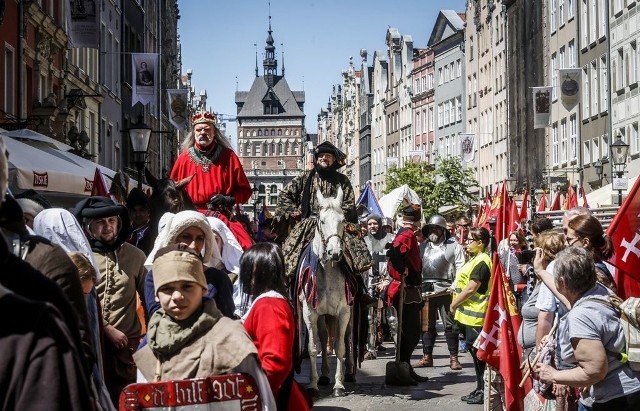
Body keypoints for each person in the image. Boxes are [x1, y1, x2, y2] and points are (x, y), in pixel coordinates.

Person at [133, 244, 276, 411]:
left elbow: (261, 402)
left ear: (203, 288)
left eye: (187, 286)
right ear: (156, 295)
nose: (177, 296)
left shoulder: (231, 339)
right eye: (167, 289)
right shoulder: (151, 347)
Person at [534, 247, 640, 409]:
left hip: (616, 399)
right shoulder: (598, 290)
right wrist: (541, 271)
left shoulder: (581, 316)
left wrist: (554, 375)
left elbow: (595, 371)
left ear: (563, 282)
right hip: (631, 387)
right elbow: (564, 295)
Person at [72, 196, 147, 406]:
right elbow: (78, 301)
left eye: (111, 221)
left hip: (127, 347)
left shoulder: (136, 256)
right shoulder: (81, 257)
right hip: (93, 344)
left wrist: (150, 340)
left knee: (129, 402)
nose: (107, 227)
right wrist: (106, 329)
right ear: (89, 227)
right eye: (100, 222)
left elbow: (149, 300)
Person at [239, 243, 311, 410]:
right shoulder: (269, 302)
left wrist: (250, 395)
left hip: (271, 398)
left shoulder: (269, 305)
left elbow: (275, 364)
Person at [144, 210, 235, 318]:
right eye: (186, 237)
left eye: (199, 238)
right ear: (173, 238)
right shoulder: (154, 276)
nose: (193, 245)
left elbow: (227, 317)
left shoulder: (218, 278)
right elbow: (156, 315)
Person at [384, 204, 429, 386]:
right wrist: (401, 268)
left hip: (410, 289)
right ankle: (404, 367)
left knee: (409, 333)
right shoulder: (407, 234)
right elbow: (394, 251)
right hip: (406, 290)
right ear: (417, 220)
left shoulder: (406, 233)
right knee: (411, 333)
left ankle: (406, 367)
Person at [414, 214, 466, 370]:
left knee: (450, 326)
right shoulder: (422, 247)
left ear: (443, 229)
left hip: (446, 290)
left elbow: (461, 268)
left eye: (436, 228)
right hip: (427, 290)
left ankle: (454, 358)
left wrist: (455, 286)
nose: (433, 230)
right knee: (427, 326)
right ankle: (427, 356)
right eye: (431, 228)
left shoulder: (453, 245)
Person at [450, 226, 492, 405]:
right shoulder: (474, 258)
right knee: (475, 356)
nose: (466, 243)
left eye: (469, 240)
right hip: (468, 316)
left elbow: (471, 288)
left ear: (480, 243)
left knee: (479, 356)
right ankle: (479, 388)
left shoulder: (482, 260)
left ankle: (484, 391)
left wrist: (454, 303)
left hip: (476, 317)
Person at [363, 214, 395, 360]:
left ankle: (399, 350)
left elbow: (394, 262)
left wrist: (387, 280)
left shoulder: (390, 238)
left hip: (387, 281)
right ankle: (371, 349)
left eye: (374, 223)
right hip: (370, 282)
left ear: (380, 224)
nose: (372, 226)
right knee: (370, 317)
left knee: (392, 318)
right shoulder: (364, 241)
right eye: (369, 224)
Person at [565, 214, 616, 293]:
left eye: (569, 239)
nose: (565, 243)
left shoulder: (594, 273)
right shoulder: (589, 268)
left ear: (585, 242)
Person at [126, 187, 154, 256]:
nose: (138, 214)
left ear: (148, 211)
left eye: (141, 210)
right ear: (129, 213)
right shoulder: (126, 233)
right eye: (134, 211)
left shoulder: (154, 233)